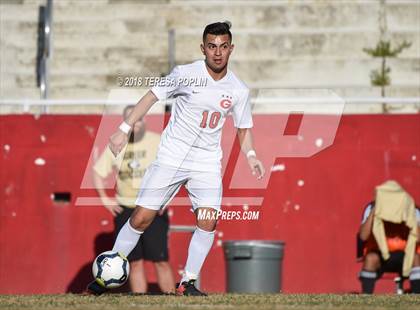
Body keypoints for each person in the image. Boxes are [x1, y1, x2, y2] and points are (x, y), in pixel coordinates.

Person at [88, 21, 265, 296]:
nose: (217, 52)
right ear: (203, 48)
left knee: (208, 220)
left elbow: (243, 128)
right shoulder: (185, 73)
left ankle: (187, 283)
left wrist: (251, 155)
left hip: (206, 163)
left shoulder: (239, 89)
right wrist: (123, 130)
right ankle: (107, 273)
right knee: (141, 218)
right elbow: (151, 97)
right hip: (172, 157)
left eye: (223, 46)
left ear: (231, 49)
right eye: (212, 46)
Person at [92, 105, 175, 294]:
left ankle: (173, 301)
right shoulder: (117, 143)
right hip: (126, 210)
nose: (135, 124)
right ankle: (139, 301)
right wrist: (105, 199)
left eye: (138, 119)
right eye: (131, 120)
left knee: (160, 260)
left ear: (144, 119)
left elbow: (174, 171)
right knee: (134, 262)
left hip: (153, 208)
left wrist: (166, 198)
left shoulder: (159, 141)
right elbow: (97, 171)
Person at [358, 181, 420, 294]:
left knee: (416, 258)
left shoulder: (413, 210)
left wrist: (409, 216)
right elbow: (363, 236)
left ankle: (417, 296)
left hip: (406, 253)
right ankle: (366, 298)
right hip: (380, 253)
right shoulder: (371, 208)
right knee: (370, 258)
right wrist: (374, 212)